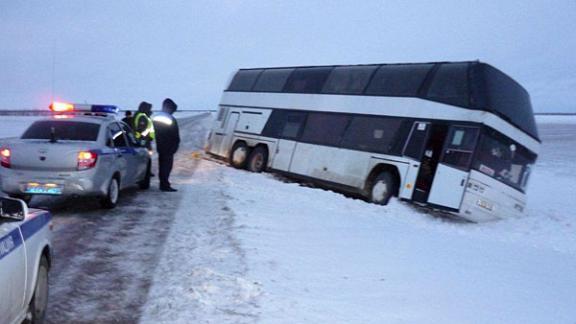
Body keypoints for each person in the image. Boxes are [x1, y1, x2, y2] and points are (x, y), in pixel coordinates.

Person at [153, 98, 180, 192]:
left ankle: (163, 184)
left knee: (162, 166)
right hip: (168, 146)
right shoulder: (170, 118)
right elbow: (174, 134)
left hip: (160, 145)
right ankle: (165, 185)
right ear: (169, 108)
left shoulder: (156, 117)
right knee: (166, 166)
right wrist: (175, 146)